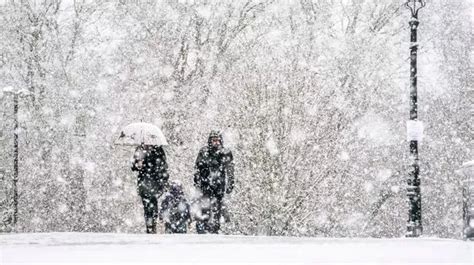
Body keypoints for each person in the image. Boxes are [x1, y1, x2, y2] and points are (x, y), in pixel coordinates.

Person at [193, 130, 234, 234]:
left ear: (221, 141)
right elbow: (197, 168)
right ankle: (204, 228)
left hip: (219, 185)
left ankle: (215, 228)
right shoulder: (204, 151)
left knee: (217, 208)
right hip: (205, 184)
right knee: (205, 207)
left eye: (217, 140)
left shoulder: (225, 152)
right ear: (210, 141)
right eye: (213, 140)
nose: (215, 142)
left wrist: (230, 183)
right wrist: (197, 181)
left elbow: (230, 170)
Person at [131, 144, 169, 234]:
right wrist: (138, 164)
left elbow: (164, 167)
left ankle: (152, 225)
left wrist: (164, 181)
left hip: (155, 182)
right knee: (147, 206)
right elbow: (133, 166)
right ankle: (149, 226)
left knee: (153, 204)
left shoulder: (158, 150)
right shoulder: (140, 149)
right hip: (144, 183)